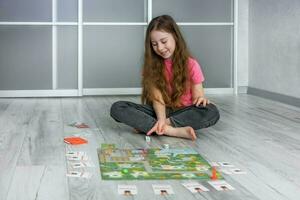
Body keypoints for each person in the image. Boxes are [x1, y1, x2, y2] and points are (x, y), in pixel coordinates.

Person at [110, 15, 220, 140]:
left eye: (164, 41)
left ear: (175, 37)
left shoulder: (192, 64)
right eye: (155, 44)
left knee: (212, 111)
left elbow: (197, 98)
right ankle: (171, 131)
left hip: (184, 112)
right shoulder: (150, 67)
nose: (160, 48)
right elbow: (157, 99)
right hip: (159, 111)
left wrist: (201, 100)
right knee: (118, 108)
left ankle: (152, 126)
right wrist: (161, 119)